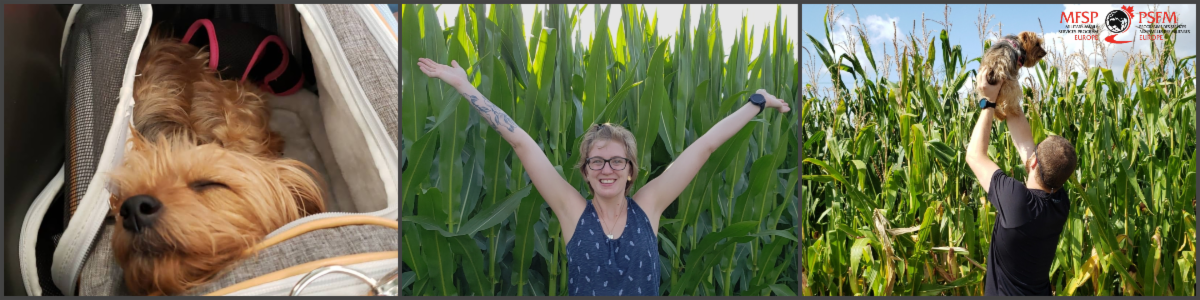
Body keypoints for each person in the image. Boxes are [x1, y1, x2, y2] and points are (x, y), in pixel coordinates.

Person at [416, 58, 790, 296]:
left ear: (631, 172)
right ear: (585, 172)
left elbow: (706, 146)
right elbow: (521, 144)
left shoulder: (650, 206)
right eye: (597, 162)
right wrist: (466, 87)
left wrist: (756, 101)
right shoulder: (572, 212)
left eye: (617, 161)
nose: (607, 169)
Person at [965, 68, 1078, 296]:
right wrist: (1010, 81)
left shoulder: (1018, 203)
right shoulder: (1060, 203)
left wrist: (988, 101)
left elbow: (974, 156)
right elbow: (1026, 144)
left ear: (1034, 162)